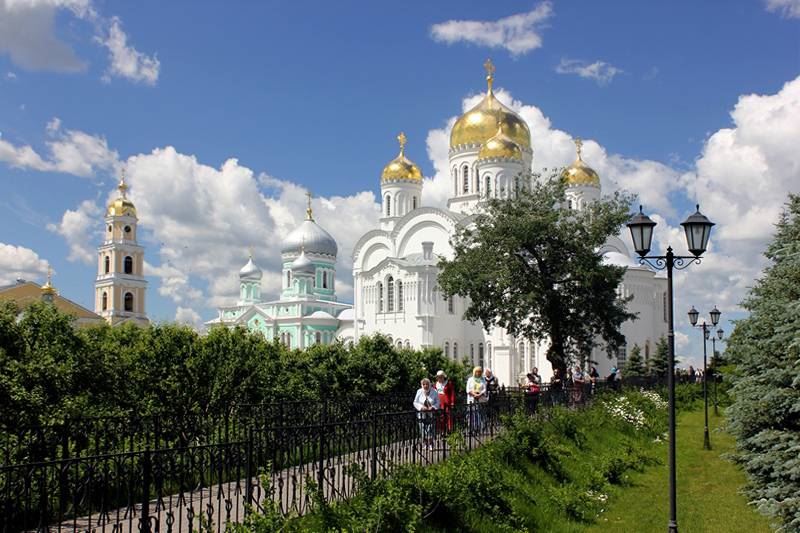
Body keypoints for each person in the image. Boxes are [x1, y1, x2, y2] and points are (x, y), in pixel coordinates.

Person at [413, 378, 440, 450]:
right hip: (422, 414)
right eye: (424, 384)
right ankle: (425, 443)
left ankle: (431, 444)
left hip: (431, 413)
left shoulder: (434, 391)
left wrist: (433, 407)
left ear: (430, 384)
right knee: (422, 429)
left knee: (430, 429)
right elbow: (415, 402)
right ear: (422, 385)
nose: (425, 386)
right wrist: (421, 407)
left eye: (427, 384)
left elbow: (438, 402)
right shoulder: (419, 391)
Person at [466, 366, 487, 434]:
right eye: (477, 372)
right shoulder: (470, 379)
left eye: (479, 372)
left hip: (480, 399)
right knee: (471, 414)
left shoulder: (483, 379)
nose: (478, 373)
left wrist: (479, 394)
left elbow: (484, 389)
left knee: (478, 414)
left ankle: (478, 428)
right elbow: (468, 389)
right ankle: (471, 428)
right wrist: (474, 394)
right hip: (472, 399)